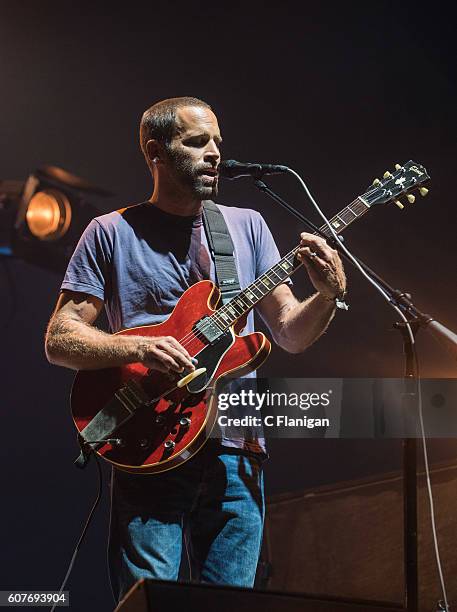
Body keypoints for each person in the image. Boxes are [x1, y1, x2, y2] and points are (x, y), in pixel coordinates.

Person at [44, 96, 346, 602]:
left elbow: (290, 332)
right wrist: (134, 350)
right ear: (154, 152)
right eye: (197, 141)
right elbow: (60, 338)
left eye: (218, 143)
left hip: (237, 445)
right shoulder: (111, 232)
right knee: (151, 599)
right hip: (149, 439)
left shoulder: (247, 227)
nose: (214, 154)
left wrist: (328, 296)